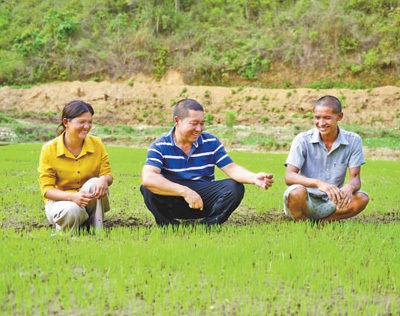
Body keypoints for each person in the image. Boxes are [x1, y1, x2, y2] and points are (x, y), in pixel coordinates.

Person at [141, 99, 274, 225]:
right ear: (177, 121)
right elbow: (148, 178)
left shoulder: (211, 142)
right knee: (148, 188)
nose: (199, 129)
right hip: (173, 199)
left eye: (202, 123)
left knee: (235, 187)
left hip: (202, 201)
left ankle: (208, 225)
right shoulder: (159, 146)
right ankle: (168, 225)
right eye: (194, 123)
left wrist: (253, 177)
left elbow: (231, 168)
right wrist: (185, 191)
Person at [283, 95, 369, 223]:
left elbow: (355, 179)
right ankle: (302, 222)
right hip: (305, 200)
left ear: (339, 117)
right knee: (296, 192)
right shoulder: (302, 139)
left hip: (333, 201)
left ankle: (325, 222)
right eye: (317, 117)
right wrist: (319, 183)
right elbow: (289, 176)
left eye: (327, 118)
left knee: (362, 198)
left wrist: (349, 188)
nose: (321, 123)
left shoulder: (354, 140)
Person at [38, 100, 113, 233]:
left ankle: (96, 228)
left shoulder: (97, 144)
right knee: (71, 209)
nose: (87, 126)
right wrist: (73, 197)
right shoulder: (49, 149)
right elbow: (47, 191)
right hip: (60, 202)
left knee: (96, 182)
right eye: (82, 122)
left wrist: (104, 179)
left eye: (90, 122)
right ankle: (70, 233)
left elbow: (107, 174)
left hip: (88, 201)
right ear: (66, 122)